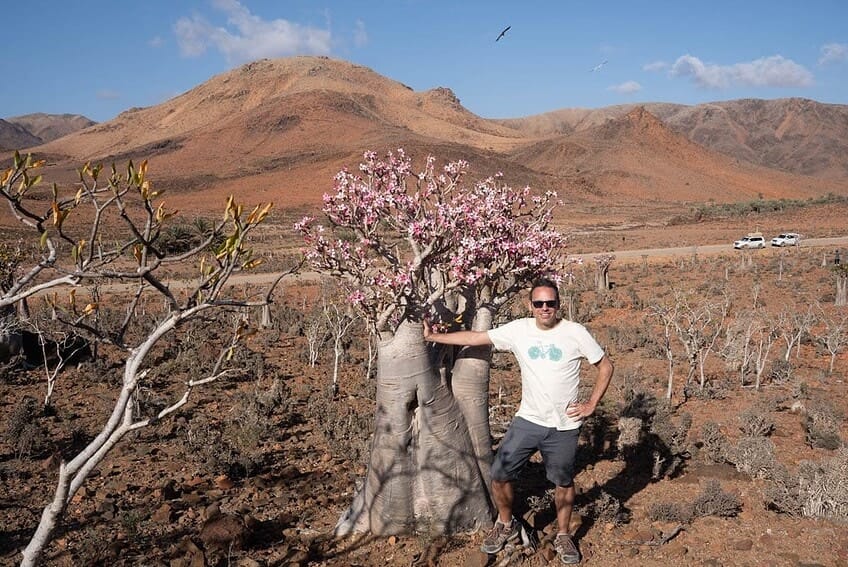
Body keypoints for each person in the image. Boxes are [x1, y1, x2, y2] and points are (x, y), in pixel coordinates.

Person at [423, 278, 614, 564]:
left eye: (550, 303)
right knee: (500, 474)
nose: (545, 308)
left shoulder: (576, 333)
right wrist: (433, 337)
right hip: (528, 419)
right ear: (530, 305)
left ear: (559, 304)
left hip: (564, 425)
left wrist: (591, 405)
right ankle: (505, 523)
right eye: (539, 303)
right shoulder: (519, 330)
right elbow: (476, 338)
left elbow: (606, 366)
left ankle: (563, 534)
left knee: (562, 481)